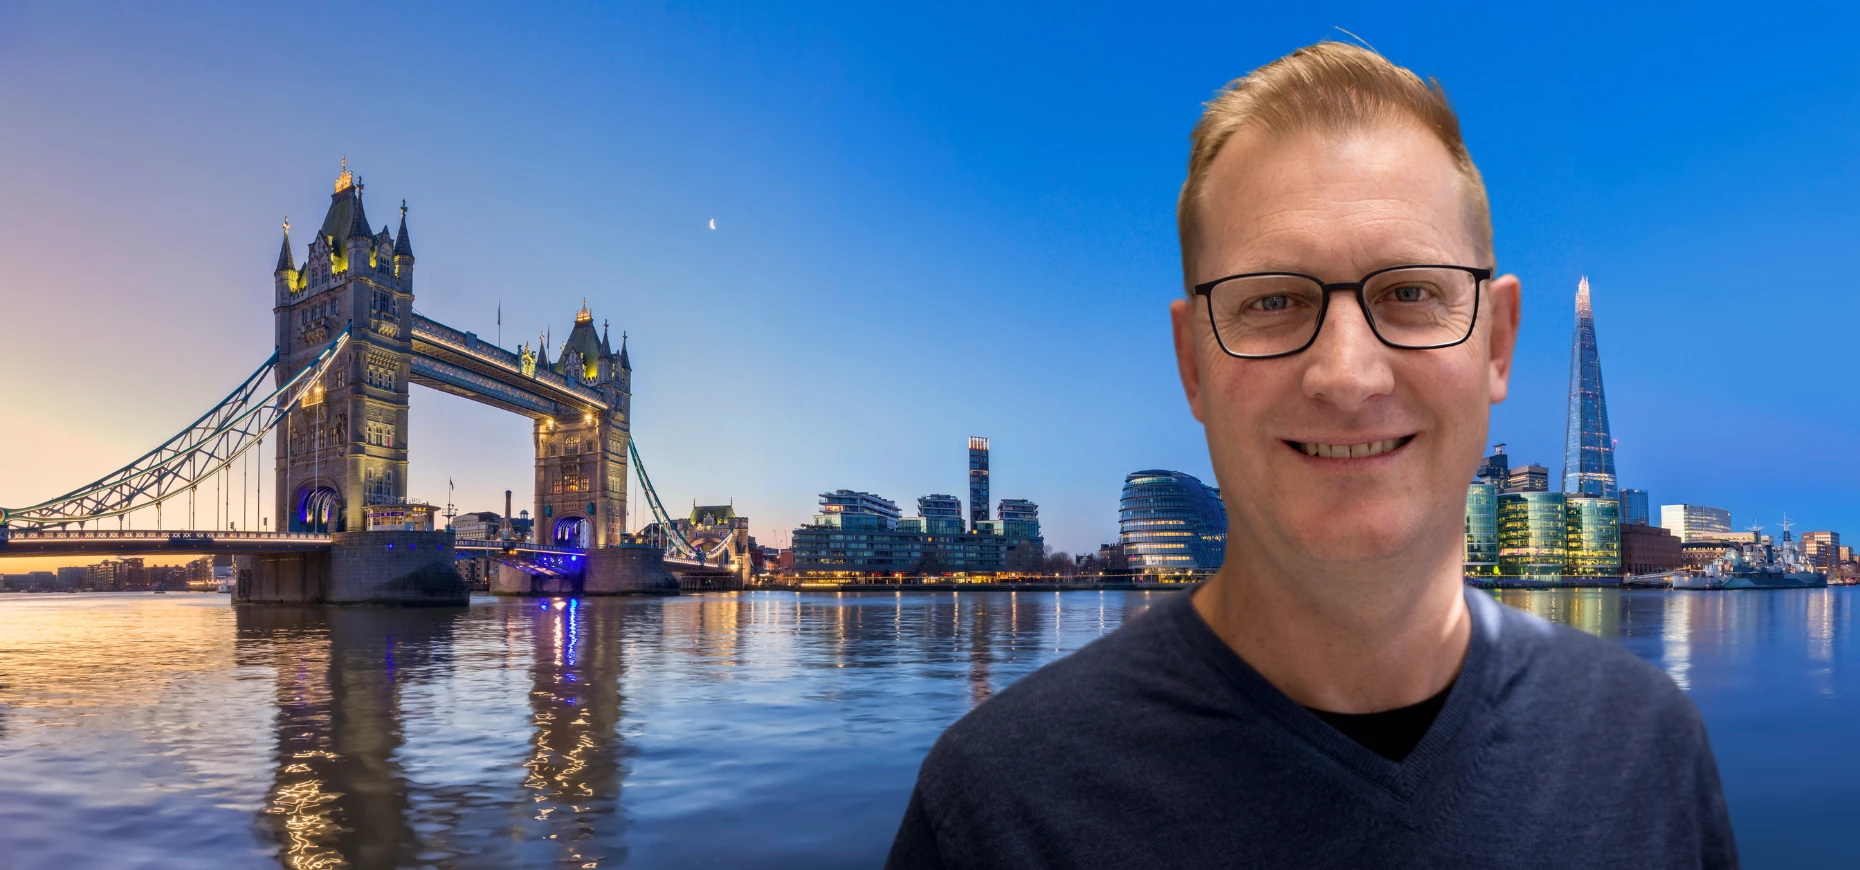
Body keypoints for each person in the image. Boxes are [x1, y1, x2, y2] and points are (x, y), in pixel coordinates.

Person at [886, 42, 1736, 869]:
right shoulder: (993, 811)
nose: (1346, 375)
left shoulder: (1651, 743)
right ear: (1192, 364)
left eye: (1409, 291)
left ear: (1498, 344)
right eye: (1273, 301)